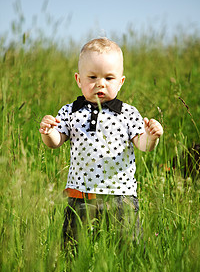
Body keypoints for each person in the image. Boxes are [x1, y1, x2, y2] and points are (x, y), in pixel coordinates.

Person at [39, 37, 163, 246]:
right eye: (92, 77)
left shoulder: (128, 113)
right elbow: (55, 141)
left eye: (109, 78)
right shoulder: (70, 111)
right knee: (74, 248)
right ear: (79, 80)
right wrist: (48, 131)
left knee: (126, 248)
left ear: (121, 81)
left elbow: (143, 145)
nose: (100, 83)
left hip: (120, 197)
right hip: (81, 196)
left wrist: (151, 137)